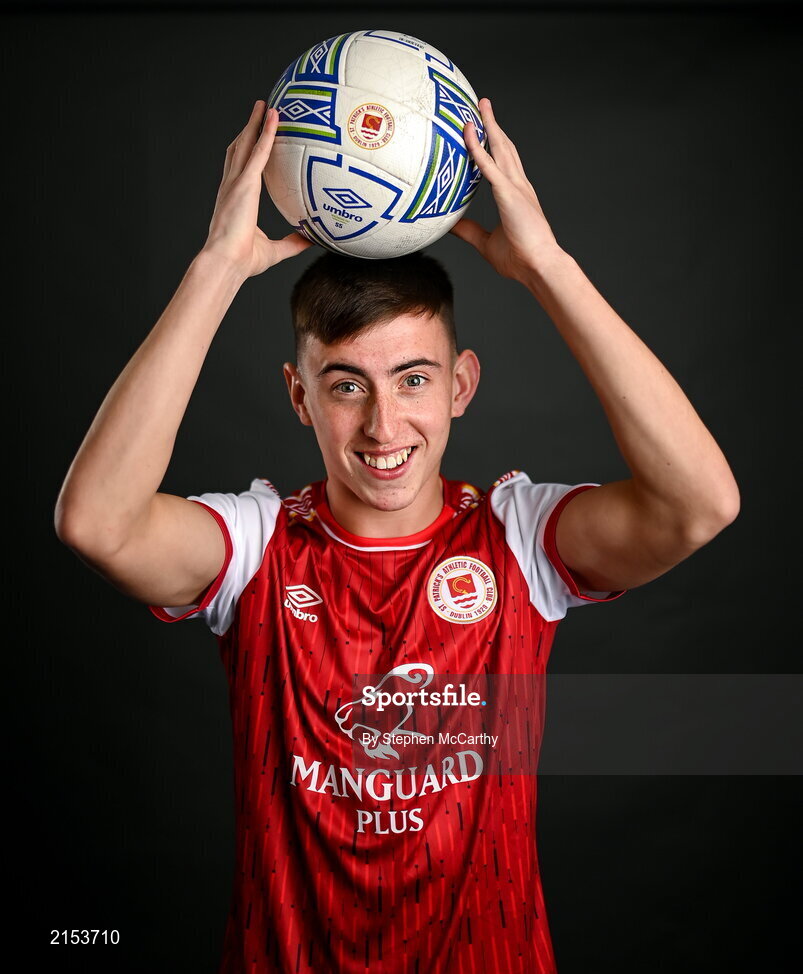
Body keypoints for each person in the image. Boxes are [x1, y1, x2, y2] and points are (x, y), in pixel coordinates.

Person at [54, 97, 740, 974]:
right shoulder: (258, 545)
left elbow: (698, 506)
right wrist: (217, 268)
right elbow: (97, 522)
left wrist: (546, 266)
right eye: (345, 386)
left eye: (412, 379)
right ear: (300, 398)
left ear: (461, 384)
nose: (384, 426)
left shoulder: (516, 539)